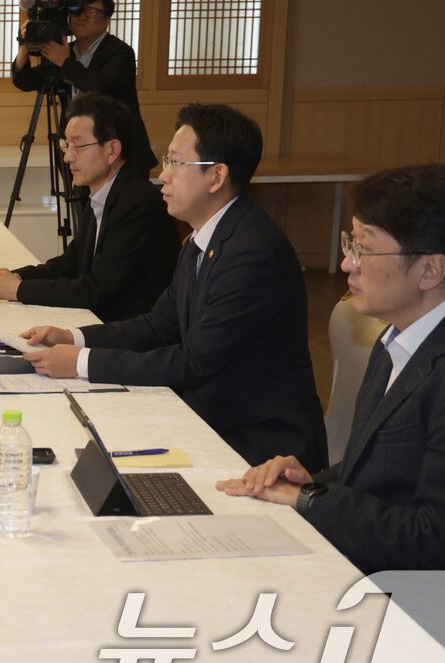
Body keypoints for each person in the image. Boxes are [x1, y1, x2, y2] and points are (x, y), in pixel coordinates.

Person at [216, 163, 445, 663]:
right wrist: (314, 479)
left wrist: (312, 501)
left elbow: (439, 541)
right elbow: (386, 464)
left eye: (364, 248)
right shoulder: (401, 337)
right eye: (351, 242)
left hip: (444, 637)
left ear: (430, 270)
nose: (347, 263)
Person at [20, 103, 327, 471]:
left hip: (259, 443)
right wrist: (72, 337)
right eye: (167, 161)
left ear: (216, 176)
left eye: (176, 163)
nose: (163, 176)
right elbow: (157, 326)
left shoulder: (251, 253)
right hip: (214, 414)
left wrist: (81, 362)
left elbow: (193, 362)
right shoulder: (202, 238)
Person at [0, 93, 176, 322]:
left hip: (130, 331)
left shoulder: (138, 203)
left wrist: (17, 290)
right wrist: (17, 277)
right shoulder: (103, 193)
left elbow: (95, 289)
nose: (68, 157)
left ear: (112, 150)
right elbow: (70, 263)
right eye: (67, 145)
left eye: (78, 145)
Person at [12, 0, 154, 178]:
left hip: (120, 152)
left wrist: (65, 62)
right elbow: (26, 81)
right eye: (76, 10)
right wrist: (24, 49)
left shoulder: (120, 52)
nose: (82, 17)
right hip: (80, 151)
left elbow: (101, 87)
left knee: (122, 197)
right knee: (85, 197)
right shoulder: (66, 51)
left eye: (91, 12)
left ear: (107, 20)